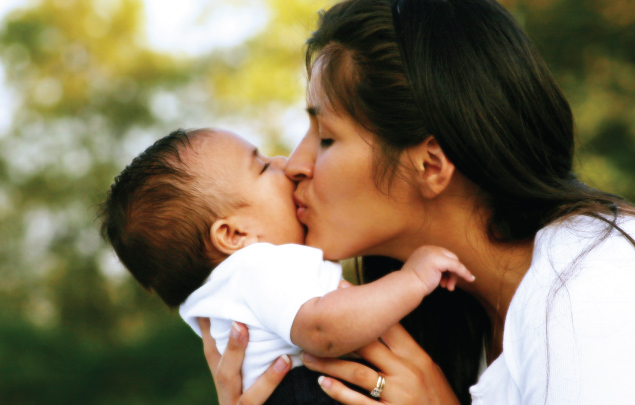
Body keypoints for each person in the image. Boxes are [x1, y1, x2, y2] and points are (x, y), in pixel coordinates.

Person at [201, 0, 635, 404]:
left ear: (430, 165)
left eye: (326, 137)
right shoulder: (447, 321)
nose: (293, 165)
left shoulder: (590, 285)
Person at [98, 127, 475, 403]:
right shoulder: (255, 267)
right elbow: (322, 328)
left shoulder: (233, 287)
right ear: (233, 235)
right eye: (262, 167)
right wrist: (412, 278)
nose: (285, 163)